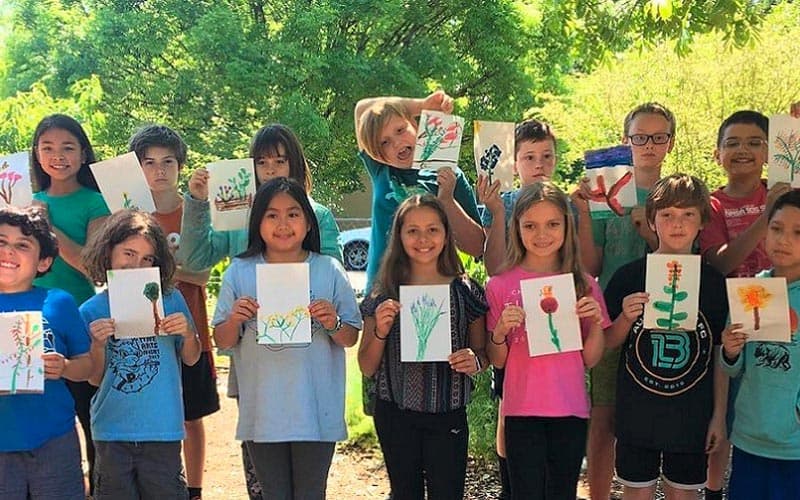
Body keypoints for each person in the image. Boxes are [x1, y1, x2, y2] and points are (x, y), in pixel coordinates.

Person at [180, 123, 343, 499]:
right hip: (256, 356)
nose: (271, 169)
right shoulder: (237, 214)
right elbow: (195, 256)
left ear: (296, 165)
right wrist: (196, 201)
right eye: (263, 161)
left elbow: (331, 284)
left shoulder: (318, 214)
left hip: (308, 361)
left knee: (306, 479)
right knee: (263, 475)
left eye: (280, 160)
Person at [212, 178, 361, 499]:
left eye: (293, 214)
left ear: (308, 222)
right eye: (271, 215)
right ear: (257, 223)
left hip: (316, 411)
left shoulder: (329, 269)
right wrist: (235, 318)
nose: (283, 224)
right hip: (263, 412)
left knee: (311, 493)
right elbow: (222, 340)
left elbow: (350, 337)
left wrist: (333, 322)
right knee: (273, 493)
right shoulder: (240, 271)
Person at [572, 102, 676, 500]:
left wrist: (650, 234)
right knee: (603, 417)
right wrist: (583, 213)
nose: (648, 145)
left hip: (666, 314)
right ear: (625, 140)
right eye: (639, 137)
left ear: (670, 142)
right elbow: (591, 264)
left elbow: (686, 261)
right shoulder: (604, 192)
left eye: (658, 137)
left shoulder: (676, 193)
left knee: (657, 414)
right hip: (612, 315)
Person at [603, 174, 728, 499]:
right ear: (652, 222)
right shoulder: (629, 276)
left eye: (688, 214)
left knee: (684, 493)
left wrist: (718, 416)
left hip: (692, 416)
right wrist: (625, 318)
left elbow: (719, 355)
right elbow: (606, 343)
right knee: (637, 491)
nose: (678, 223)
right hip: (638, 413)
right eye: (668, 215)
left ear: (702, 221)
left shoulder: (715, 284)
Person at [358, 194, 488, 500]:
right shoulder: (384, 292)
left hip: (448, 413)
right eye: (412, 230)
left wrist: (475, 360)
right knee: (404, 493)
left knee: (448, 493)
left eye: (432, 229)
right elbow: (366, 365)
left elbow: (483, 354)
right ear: (399, 236)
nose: (423, 239)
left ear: (446, 234)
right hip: (395, 414)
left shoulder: (465, 291)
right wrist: (380, 330)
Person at [485, 182, 609, 499]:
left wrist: (595, 323)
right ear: (517, 228)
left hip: (570, 410)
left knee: (561, 493)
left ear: (567, 227)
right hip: (521, 411)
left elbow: (591, 359)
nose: (542, 234)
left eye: (552, 224)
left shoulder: (583, 283)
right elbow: (497, 359)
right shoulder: (500, 285)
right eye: (531, 225)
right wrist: (499, 332)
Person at [698, 107, 796, 499]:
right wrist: (766, 215)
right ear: (718, 152)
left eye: (755, 142)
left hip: (785, 311)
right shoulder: (712, 204)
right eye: (733, 142)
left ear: (770, 149)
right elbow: (719, 263)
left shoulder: (788, 192)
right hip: (732, 317)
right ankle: (713, 490)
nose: (743, 150)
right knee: (724, 412)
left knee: (771, 397)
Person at [80, 209, 202, 500]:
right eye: (129, 254)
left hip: (163, 430)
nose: (137, 265)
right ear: (108, 252)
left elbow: (192, 357)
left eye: (147, 258)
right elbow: (94, 379)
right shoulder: (90, 310)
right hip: (112, 432)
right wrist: (97, 345)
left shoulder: (170, 299)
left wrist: (186, 334)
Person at [128, 124, 220, 500]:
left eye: (168, 161)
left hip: (190, 329)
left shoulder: (195, 209)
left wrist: (154, 267)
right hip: (139, 331)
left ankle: (194, 489)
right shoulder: (129, 214)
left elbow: (200, 272)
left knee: (191, 415)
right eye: (148, 163)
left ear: (181, 165)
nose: (159, 171)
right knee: (143, 410)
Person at [30, 114, 111, 495]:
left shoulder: (95, 202)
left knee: (88, 411)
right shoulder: (23, 201)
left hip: (76, 318)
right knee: (39, 410)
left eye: (67, 147)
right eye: (47, 147)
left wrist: (49, 229)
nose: (57, 156)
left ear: (83, 155)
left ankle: (98, 487)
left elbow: (92, 267)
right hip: (27, 321)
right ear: (36, 154)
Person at [0, 206, 93, 500]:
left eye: (22, 245)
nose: (9, 251)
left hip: (53, 439)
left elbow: (86, 365)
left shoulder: (59, 303)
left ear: (44, 261)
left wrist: (64, 367)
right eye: (1, 241)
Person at [354, 90, 485, 294]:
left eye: (400, 130)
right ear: (377, 152)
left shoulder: (449, 173)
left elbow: (478, 247)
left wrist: (447, 201)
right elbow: (362, 109)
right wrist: (422, 105)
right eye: (384, 142)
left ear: (416, 125)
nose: (396, 143)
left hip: (439, 293)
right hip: (385, 293)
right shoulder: (380, 169)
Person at [721, 190, 800, 500]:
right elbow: (734, 366)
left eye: (797, 232)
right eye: (776, 228)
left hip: (794, 448)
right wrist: (730, 349)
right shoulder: (753, 289)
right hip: (749, 438)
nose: (783, 239)